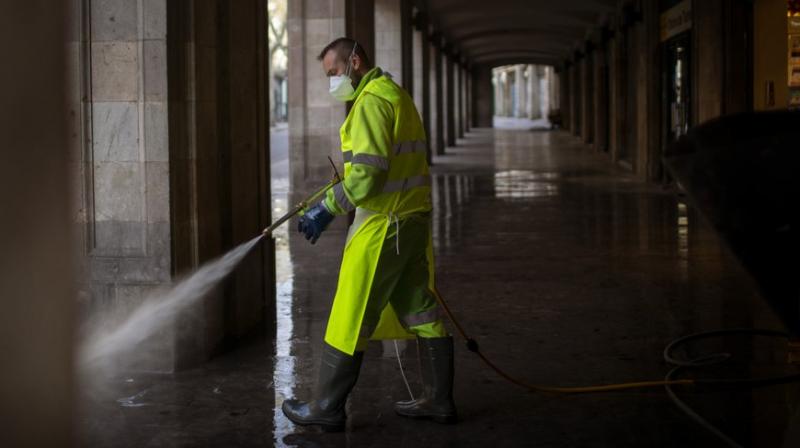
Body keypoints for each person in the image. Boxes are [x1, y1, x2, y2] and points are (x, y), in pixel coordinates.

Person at [281, 37, 457, 431]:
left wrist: (327, 208)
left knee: (351, 311)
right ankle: (439, 400)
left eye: (333, 73)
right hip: (410, 221)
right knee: (420, 309)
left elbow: (367, 177)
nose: (332, 82)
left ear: (354, 61)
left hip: (384, 227)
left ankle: (326, 407)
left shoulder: (371, 102)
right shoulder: (395, 94)